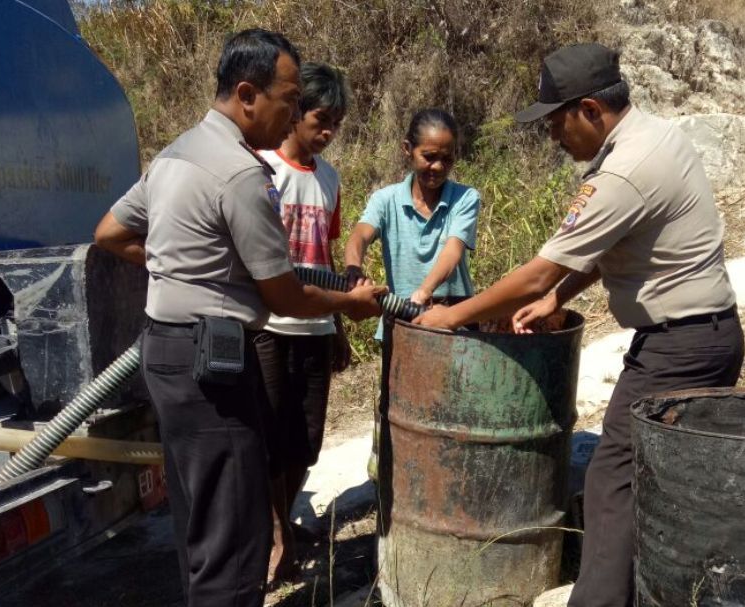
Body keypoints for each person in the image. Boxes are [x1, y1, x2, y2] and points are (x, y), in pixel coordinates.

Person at [414, 43, 745, 607]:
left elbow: (537, 273)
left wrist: (454, 314)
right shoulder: (657, 136)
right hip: (706, 335)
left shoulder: (623, 171)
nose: (552, 135)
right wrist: (558, 299)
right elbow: (604, 250)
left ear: (590, 109)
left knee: (611, 478)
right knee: (665, 481)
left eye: (556, 121)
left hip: (679, 346)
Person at [92, 29, 384, 607]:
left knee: (202, 523)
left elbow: (110, 232)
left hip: (166, 351)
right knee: (234, 532)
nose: (295, 112)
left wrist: (179, 269)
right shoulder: (242, 173)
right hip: (212, 364)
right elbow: (283, 294)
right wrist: (349, 306)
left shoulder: (175, 154)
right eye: (290, 98)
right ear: (248, 94)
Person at [252, 61, 352, 583]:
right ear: (293, 114)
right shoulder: (259, 168)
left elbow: (327, 255)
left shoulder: (330, 179)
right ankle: (274, 535)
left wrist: (338, 327)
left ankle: (281, 520)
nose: (328, 130)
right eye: (320, 117)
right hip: (268, 324)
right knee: (270, 436)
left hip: (314, 326)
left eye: (336, 120)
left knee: (306, 440)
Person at [344, 108, 481, 333]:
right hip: (402, 314)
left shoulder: (465, 198)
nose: (437, 166)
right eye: (429, 157)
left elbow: (452, 252)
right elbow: (360, 235)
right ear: (407, 149)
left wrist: (424, 291)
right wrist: (353, 269)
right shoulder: (385, 200)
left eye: (447, 159)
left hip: (453, 314)